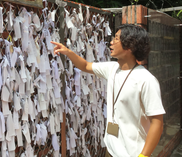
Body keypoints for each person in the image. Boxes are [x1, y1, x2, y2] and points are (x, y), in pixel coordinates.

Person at [51, 24, 165, 157]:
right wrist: (68, 52)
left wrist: (144, 155)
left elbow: (157, 123)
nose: (111, 42)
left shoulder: (146, 80)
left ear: (130, 45)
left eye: (116, 39)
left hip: (133, 153)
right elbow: (86, 66)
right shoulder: (112, 69)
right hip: (111, 150)